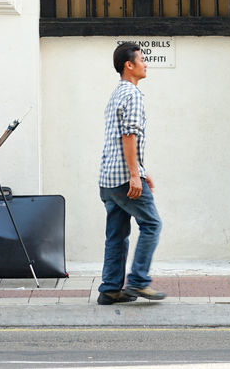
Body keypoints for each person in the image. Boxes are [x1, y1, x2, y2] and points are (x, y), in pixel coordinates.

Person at [97, 42, 166, 305]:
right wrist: (135, 175)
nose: (145, 63)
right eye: (142, 59)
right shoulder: (134, 95)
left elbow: (117, 138)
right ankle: (138, 281)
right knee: (151, 224)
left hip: (108, 178)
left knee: (116, 234)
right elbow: (128, 136)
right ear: (130, 65)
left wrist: (142, 171)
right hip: (125, 179)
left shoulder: (116, 93)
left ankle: (110, 289)